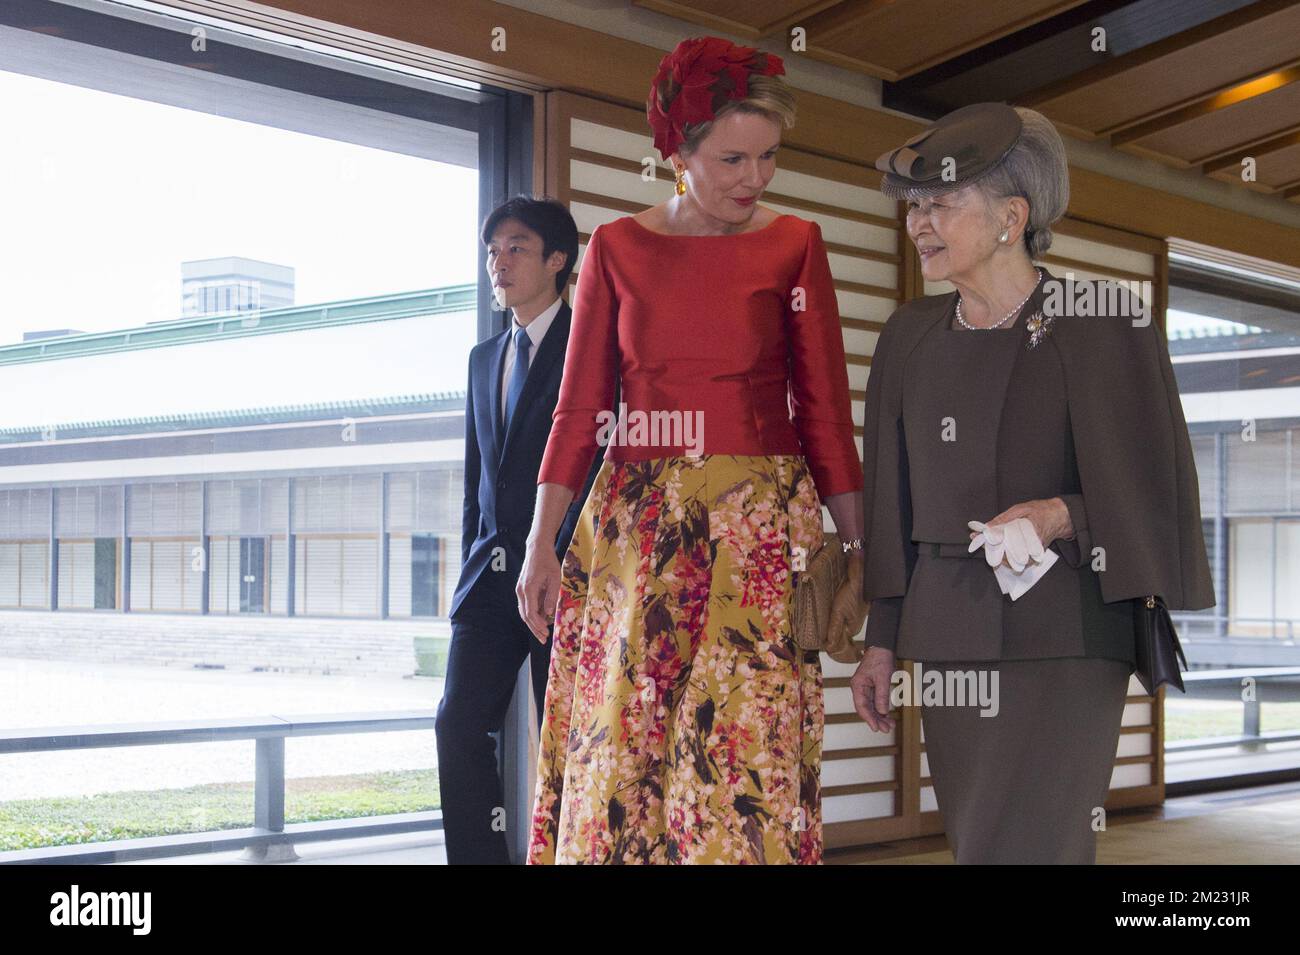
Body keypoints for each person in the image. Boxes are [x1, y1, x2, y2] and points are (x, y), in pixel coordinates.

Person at [515, 36, 869, 864]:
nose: (755, 178)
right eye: (732, 157)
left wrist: (858, 548)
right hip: (634, 529)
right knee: (623, 745)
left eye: (769, 157)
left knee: (745, 749)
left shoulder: (796, 245)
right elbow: (578, 411)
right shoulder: (615, 249)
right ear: (676, 151)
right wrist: (541, 543)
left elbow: (823, 410)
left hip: (757, 534)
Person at [851, 102, 1216, 863]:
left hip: (1069, 628)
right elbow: (892, 503)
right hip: (948, 630)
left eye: (942, 203)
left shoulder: (1106, 320)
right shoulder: (908, 334)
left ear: (1011, 216)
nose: (920, 222)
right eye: (916, 206)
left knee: (1043, 840)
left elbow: (1154, 491)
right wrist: (880, 641)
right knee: (978, 839)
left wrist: (1059, 513)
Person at [436, 196, 604, 865]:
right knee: (457, 723)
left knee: (563, 735)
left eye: (516, 248)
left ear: (558, 260)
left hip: (565, 576)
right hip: (490, 578)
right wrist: (471, 568)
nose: (498, 263)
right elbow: (479, 479)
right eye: (492, 251)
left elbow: (598, 468)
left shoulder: (590, 351)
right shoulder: (483, 357)